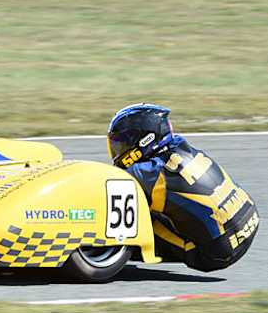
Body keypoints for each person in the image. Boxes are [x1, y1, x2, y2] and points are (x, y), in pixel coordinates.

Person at [107, 103, 259, 272]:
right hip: (247, 218)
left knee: (132, 221)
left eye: (122, 143)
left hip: (217, 251)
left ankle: (106, 256)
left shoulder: (150, 173)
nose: (118, 150)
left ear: (145, 139)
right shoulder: (180, 145)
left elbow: (108, 180)